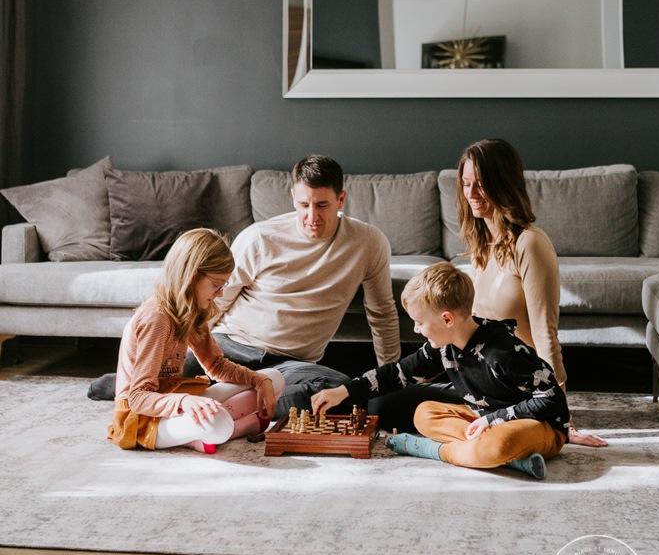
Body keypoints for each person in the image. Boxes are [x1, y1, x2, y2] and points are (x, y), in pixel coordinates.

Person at [180, 153, 402, 416]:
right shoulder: (259, 238)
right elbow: (215, 301)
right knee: (157, 373)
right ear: (293, 198)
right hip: (229, 346)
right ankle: (236, 400)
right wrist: (193, 349)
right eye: (304, 204)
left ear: (341, 199)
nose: (312, 216)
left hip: (289, 365)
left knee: (339, 391)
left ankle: (231, 401)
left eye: (322, 205)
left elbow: (382, 314)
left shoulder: (368, 242)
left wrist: (393, 381)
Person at [312, 262, 569, 478]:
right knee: (424, 413)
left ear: (446, 319)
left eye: (420, 322)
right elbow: (397, 373)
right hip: (487, 421)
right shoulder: (445, 347)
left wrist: (492, 420)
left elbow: (552, 397)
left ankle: (430, 449)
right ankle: (507, 459)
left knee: (500, 443)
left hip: (538, 426)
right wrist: (343, 392)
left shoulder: (503, 352)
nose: (416, 329)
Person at [456, 138, 606, 448]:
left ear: (503, 184)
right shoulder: (481, 244)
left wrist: (563, 418)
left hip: (523, 390)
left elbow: (544, 331)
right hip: (485, 386)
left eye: (481, 184)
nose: (470, 194)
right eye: (466, 184)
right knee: (408, 410)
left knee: (499, 444)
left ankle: (528, 436)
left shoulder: (530, 244)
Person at [107, 228, 284, 453]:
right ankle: (239, 424)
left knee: (273, 378)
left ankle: (206, 431)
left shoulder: (192, 309)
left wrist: (258, 381)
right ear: (192, 275)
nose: (220, 293)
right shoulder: (157, 319)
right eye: (216, 285)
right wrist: (185, 402)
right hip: (142, 419)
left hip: (176, 400)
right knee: (218, 423)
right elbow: (138, 398)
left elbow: (216, 366)